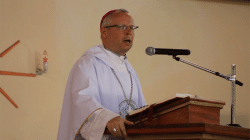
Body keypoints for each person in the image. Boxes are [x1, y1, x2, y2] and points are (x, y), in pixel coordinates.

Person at [57, 9, 147, 140]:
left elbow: (142, 110)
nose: (129, 32)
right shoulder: (88, 64)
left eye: (132, 28)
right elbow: (82, 103)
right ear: (104, 32)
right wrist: (107, 119)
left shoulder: (130, 70)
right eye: (122, 27)